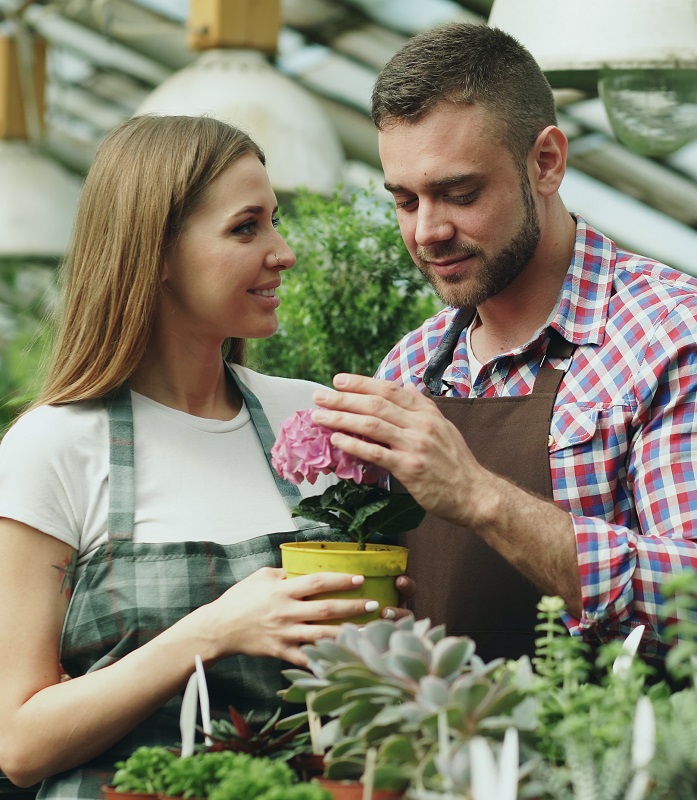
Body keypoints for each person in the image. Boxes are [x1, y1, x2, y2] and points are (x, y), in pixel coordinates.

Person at [0, 114, 412, 798]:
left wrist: (377, 630)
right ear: (155, 254)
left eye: (274, 222)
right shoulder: (54, 447)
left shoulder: (309, 419)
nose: (282, 251)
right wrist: (215, 629)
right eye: (246, 227)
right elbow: (17, 742)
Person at [309, 22, 697, 665]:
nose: (428, 231)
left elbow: (691, 599)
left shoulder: (667, 337)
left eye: (460, 194)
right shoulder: (411, 366)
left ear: (545, 163)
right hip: (434, 748)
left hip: (609, 755)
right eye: (405, 201)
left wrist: (478, 496)